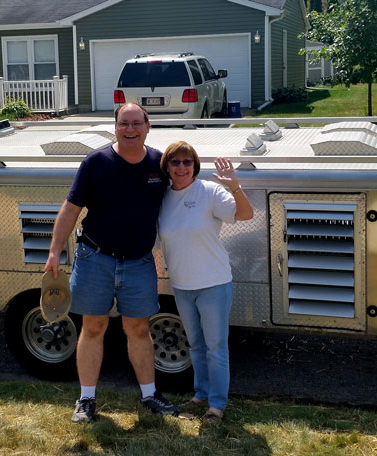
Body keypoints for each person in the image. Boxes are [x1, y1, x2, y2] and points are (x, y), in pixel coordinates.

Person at [44, 103, 180, 423]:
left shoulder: (158, 164)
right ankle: (86, 400)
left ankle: (149, 396)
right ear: (115, 126)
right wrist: (54, 252)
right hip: (95, 259)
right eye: (123, 123)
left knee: (138, 328)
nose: (130, 129)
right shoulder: (96, 162)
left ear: (148, 126)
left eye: (136, 123)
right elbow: (70, 209)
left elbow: (185, 196)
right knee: (93, 326)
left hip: (139, 262)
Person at [157, 141, 254, 424]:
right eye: (175, 162)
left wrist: (235, 187)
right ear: (167, 167)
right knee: (196, 345)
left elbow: (244, 214)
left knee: (215, 347)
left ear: (195, 166)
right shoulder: (162, 198)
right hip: (182, 285)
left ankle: (216, 406)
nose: (182, 167)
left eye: (187, 162)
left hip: (213, 283)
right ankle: (200, 394)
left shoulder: (210, 192)